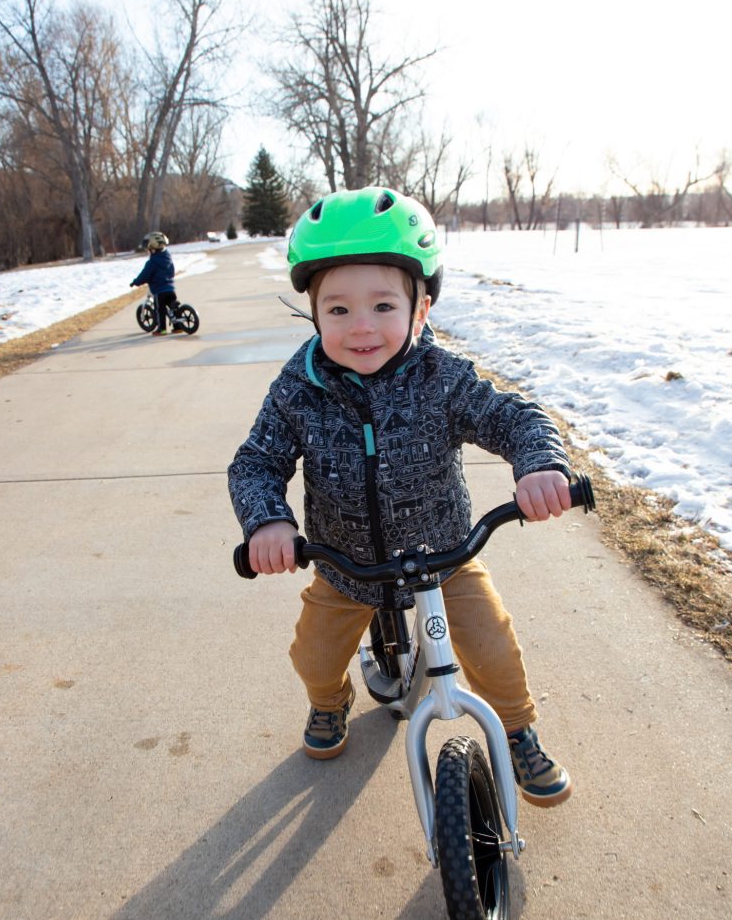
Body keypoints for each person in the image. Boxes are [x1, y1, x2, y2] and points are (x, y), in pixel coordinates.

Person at [228, 187, 573, 806]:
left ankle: (517, 730)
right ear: (313, 314)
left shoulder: (441, 378)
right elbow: (257, 460)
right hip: (344, 563)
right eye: (337, 310)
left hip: (445, 554)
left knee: (491, 643)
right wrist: (266, 523)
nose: (361, 326)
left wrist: (539, 464)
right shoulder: (298, 389)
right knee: (313, 653)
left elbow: (512, 417)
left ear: (421, 309)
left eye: (383, 305)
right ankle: (330, 703)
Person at [130, 231, 185, 334]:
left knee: (160, 310)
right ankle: (178, 327)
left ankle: (162, 329)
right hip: (171, 289)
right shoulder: (168, 258)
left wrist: (136, 282)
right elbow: (172, 270)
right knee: (173, 307)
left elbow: (144, 275)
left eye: (148, 249)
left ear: (153, 249)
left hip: (159, 291)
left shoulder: (152, 263)